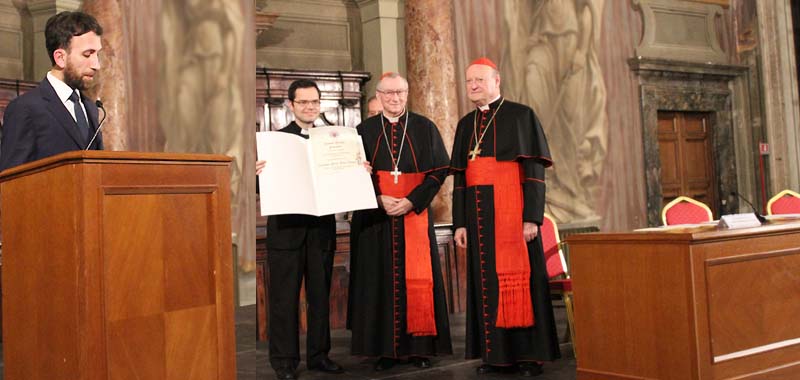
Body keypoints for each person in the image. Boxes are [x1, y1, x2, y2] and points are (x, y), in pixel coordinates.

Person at [451, 58, 560, 377]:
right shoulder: (464, 124)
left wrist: (532, 218)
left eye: (480, 80)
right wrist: (460, 223)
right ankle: (495, 356)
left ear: (497, 81)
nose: (473, 86)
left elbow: (535, 173)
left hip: (513, 218)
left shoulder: (521, 115)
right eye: (469, 81)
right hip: (478, 218)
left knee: (521, 282)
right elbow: (460, 179)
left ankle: (528, 357)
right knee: (487, 283)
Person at [348, 72, 452, 371]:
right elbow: (353, 173)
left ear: (407, 94)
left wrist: (412, 200)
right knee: (377, 281)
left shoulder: (424, 127)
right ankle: (383, 350)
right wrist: (379, 198)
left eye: (401, 93)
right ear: (378, 96)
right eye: (389, 93)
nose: (395, 98)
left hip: (414, 213)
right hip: (375, 218)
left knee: (417, 280)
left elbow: (439, 169)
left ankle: (419, 348)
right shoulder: (363, 130)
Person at [265, 79, 344, 380]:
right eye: (303, 103)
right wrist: (260, 172)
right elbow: (263, 186)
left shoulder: (332, 138)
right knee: (284, 299)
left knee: (320, 296)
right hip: (285, 231)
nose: (310, 108)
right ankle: (284, 362)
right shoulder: (275, 140)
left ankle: (319, 356)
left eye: (314, 102)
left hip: (321, 230)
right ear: (290, 105)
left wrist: (356, 168)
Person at [0, 11, 104, 171]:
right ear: (60, 58)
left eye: (97, 54)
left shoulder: (90, 108)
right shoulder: (25, 108)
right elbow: (11, 182)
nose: (96, 64)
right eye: (87, 54)